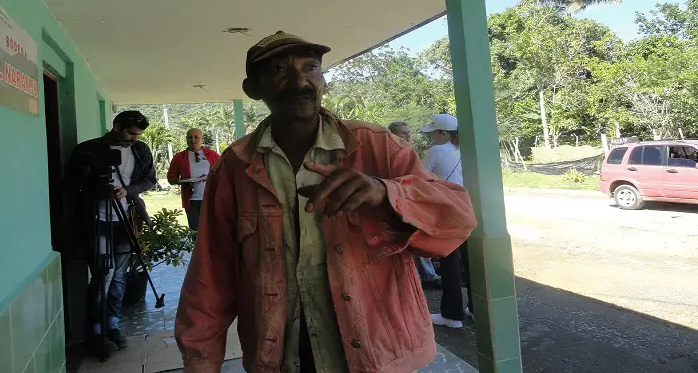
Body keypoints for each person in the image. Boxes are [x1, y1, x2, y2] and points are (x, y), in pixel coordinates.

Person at [175, 31, 476, 373]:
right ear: (252, 89)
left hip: (377, 356)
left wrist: (385, 193)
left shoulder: (377, 145)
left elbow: (459, 218)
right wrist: (201, 361)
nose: (299, 81)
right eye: (279, 71)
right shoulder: (235, 166)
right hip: (281, 355)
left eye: (311, 67)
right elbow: (211, 271)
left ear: (323, 81)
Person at [65, 110, 157, 361]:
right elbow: (71, 185)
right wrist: (93, 184)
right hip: (95, 219)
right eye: (129, 133)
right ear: (116, 126)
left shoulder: (140, 150)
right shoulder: (88, 149)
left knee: (118, 276)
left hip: (123, 218)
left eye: (138, 135)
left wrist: (127, 190)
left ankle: (113, 325)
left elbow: (150, 180)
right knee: (102, 275)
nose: (134, 139)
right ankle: (94, 331)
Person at [420, 114, 474, 329]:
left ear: (443, 133)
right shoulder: (463, 151)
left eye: (433, 133)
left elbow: (419, 179)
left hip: (448, 211)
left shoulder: (436, 151)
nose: (431, 138)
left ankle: (452, 315)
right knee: (470, 263)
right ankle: (475, 308)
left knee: (450, 262)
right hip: (469, 209)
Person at [387, 121, 442, 288]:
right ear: (392, 135)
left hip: (412, 203)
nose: (408, 136)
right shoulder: (388, 154)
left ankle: (426, 275)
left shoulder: (410, 152)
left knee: (418, 238)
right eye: (403, 133)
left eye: (408, 132)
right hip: (396, 204)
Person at [167, 128, 221, 230]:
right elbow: (171, 179)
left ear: (202, 139)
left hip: (211, 198)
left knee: (213, 230)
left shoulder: (212, 155)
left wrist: (210, 178)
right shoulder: (179, 157)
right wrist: (181, 182)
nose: (193, 140)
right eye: (190, 137)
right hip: (191, 201)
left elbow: (222, 172)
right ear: (186, 139)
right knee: (195, 230)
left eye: (196, 137)